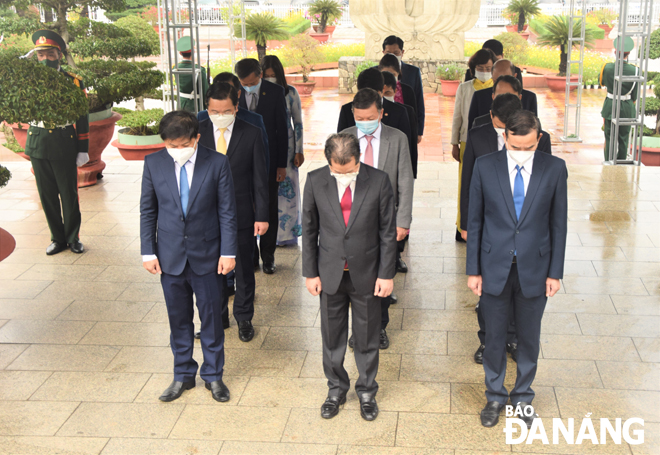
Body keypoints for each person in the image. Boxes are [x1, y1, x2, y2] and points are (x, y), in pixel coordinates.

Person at [466, 110, 567, 429]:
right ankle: (494, 395)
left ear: (539, 140)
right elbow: (476, 220)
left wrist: (556, 272)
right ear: (505, 137)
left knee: (528, 337)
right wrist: (473, 270)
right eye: (515, 148)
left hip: (536, 268)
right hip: (493, 265)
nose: (522, 155)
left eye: (528, 148)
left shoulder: (555, 169)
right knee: (494, 337)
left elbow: (559, 224)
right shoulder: (485, 166)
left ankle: (523, 397)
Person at [140, 110, 237, 402]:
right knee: (178, 320)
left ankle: (213, 376)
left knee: (210, 318)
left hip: (207, 254)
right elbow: (148, 210)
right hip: (169, 256)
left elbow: (227, 211)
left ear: (196, 138)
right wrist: (148, 251)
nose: (177, 151)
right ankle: (182, 375)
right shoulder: (154, 163)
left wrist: (228, 252)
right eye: (171, 145)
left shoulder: (217, 163)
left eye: (183, 145)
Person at [302, 133, 397, 422]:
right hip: (329, 272)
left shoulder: (379, 181)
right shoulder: (316, 180)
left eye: (350, 170)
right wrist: (310, 273)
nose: (344, 176)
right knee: (332, 337)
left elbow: (387, 233)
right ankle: (336, 389)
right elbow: (308, 230)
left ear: (358, 159)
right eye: (337, 171)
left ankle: (367, 391)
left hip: (367, 273)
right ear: (328, 161)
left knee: (367, 336)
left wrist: (386, 274)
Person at [460, 93, 552, 364]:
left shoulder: (537, 141)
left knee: (519, 295)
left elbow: (546, 185)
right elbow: (468, 185)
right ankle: (486, 340)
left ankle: (512, 337)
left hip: (525, 235)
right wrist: (465, 223)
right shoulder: (479, 139)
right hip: (493, 231)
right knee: (490, 297)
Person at [340, 88, 414, 350]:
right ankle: (358, 328)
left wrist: (403, 221)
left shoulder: (398, 139)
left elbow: (405, 180)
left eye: (370, 117)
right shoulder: (344, 138)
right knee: (354, 278)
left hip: (386, 220)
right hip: (351, 222)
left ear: (381, 113)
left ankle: (379, 326)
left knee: (384, 274)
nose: (365, 122)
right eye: (360, 117)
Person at [197, 82, 269, 343]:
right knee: (211, 270)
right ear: (207, 109)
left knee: (243, 270)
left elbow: (260, 179)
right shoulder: (198, 133)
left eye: (226, 110)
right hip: (205, 216)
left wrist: (262, 215)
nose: (220, 115)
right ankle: (218, 317)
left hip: (241, 214)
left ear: (236, 108)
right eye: (214, 111)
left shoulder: (251, 133)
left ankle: (244, 317)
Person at [25, 30, 89, 256]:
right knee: (47, 195)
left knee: (68, 194)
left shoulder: (73, 81)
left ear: (59, 55)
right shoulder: (28, 80)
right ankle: (57, 238)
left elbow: (82, 116)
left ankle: (73, 238)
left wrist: (83, 148)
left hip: (63, 143)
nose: (45, 59)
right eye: (41, 55)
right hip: (38, 143)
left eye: (50, 54)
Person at [235, 58, 288, 274]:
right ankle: (251, 257)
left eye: (250, 82)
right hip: (242, 163)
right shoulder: (234, 91)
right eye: (243, 84)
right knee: (246, 210)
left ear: (259, 75)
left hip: (268, 161)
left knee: (268, 209)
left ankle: (268, 256)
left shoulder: (275, 92)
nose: (247, 87)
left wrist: (281, 165)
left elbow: (282, 129)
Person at [452, 48, 496, 242]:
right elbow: (457, 117)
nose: (485, 71)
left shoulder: (498, 87)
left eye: (488, 67)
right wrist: (454, 143)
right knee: (465, 184)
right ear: (473, 68)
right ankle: (462, 225)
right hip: (467, 141)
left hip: (491, 141)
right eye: (480, 67)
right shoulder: (465, 87)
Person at [261, 55, 305, 246]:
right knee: (267, 193)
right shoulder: (259, 94)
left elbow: (298, 123)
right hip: (266, 147)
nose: (270, 78)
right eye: (266, 75)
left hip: (287, 151)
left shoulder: (291, 93)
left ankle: (286, 235)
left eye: (273, 75)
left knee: (288, 194)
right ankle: (266, 234)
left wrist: (299, 149)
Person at [198, 72, 269, 171]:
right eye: (215, 112)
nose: (221, 116)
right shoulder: (197, 129)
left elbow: (260, 164)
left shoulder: (253, 127)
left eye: (226, 112)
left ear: (236, 106)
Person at [337, 68, 412, 150]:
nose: (369, 99)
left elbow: (407, 150)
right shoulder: (346, 110)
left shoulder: (399, 112)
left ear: (383, 89)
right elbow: (340, 146)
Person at [468, 60, 538, 130]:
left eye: (506, 80)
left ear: (515, 76)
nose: (501, 83)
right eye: (496, 81)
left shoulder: (529, 98)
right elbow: (472, 130)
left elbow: (534, 128)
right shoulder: (479, 97)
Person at [600, 36, 638, 161]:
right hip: (627, 106)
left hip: (611, 105)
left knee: (609, 136)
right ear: (629, 53)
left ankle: (608, 161)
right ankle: (620, 162)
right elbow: (635, 95)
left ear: (616, 52)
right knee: (623, 138)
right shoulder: (635, 70)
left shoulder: (607, 67)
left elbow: (602, 83)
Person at [381, 35, 425, 142]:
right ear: (383, 53)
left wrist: (418, 131)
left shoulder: (413, 72)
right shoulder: (375, 72)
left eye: (396, 53)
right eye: (388, 53)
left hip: (405, 124)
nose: (392, 56)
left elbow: (419, 102)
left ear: (402, 52)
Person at [382, 71, 418, 178]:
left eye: (387, 93)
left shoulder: (405, 112)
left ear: (395, 91)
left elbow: (410, 145)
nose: (384, 97)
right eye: (381, 93)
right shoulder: (368, 112)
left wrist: (411, 173)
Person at [174, 36, 208, 113]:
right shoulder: (199, 70)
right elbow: (204, 91)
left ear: (180, 53)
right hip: (195, 105)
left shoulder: (175, 68)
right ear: (193, 51)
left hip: (181, 103)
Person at [378, 54, 418, 119]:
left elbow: (413, 115)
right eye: (385, 74)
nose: (389, 77)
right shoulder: (373, 91)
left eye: (392, 74)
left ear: (398, 73)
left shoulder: (408, 91)